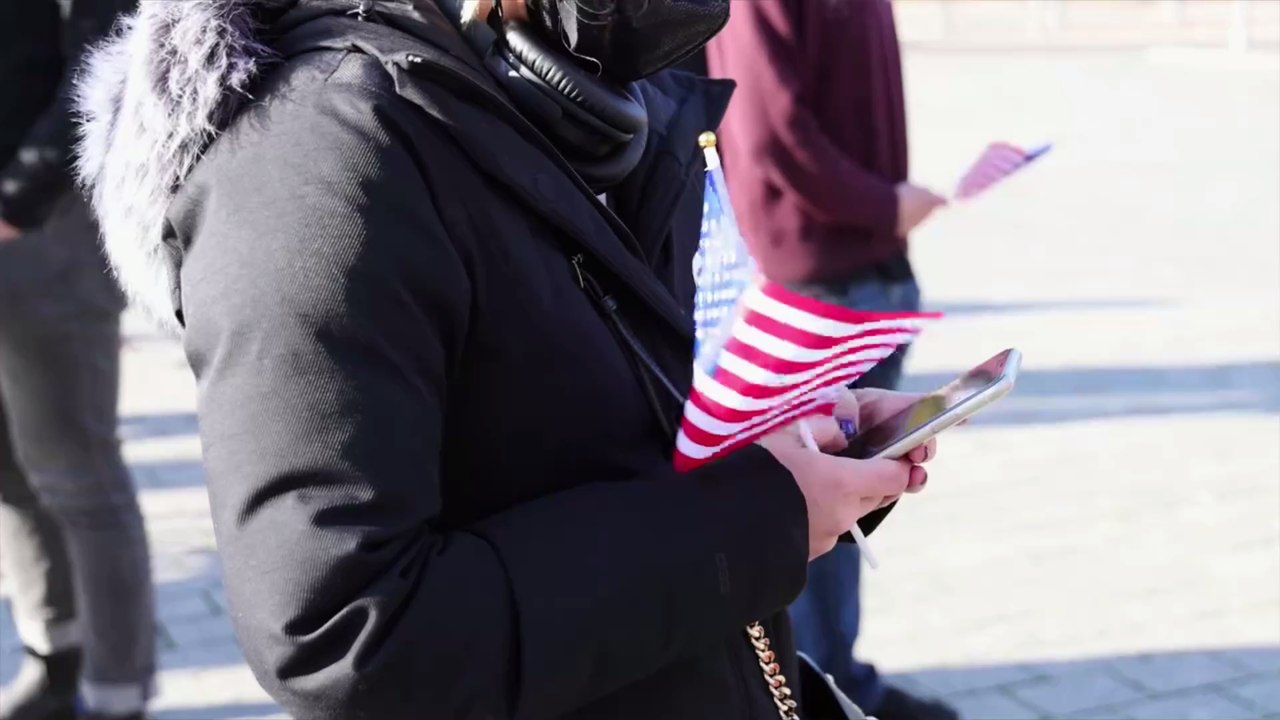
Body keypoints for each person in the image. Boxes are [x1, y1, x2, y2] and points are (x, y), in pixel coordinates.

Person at [73, 1, 945, 718]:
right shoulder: (316, 159)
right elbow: (348, 638)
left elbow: (599, 461)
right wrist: (754, 519)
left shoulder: (578, 94)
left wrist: (781, 452)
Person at [706, 1, 958, 719]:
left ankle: (835, 681)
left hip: (868, 267)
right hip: (810, 280)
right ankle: (811, 690)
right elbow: (768, 131)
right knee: (809, 510)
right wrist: (881, 206)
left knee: (847, 509)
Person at [0, 2, 155, 720]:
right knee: (7, 469)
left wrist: (17, 199)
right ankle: (53, 659)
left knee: (78, 474)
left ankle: (117, 696)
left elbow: (105, 59)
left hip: (45, 230)